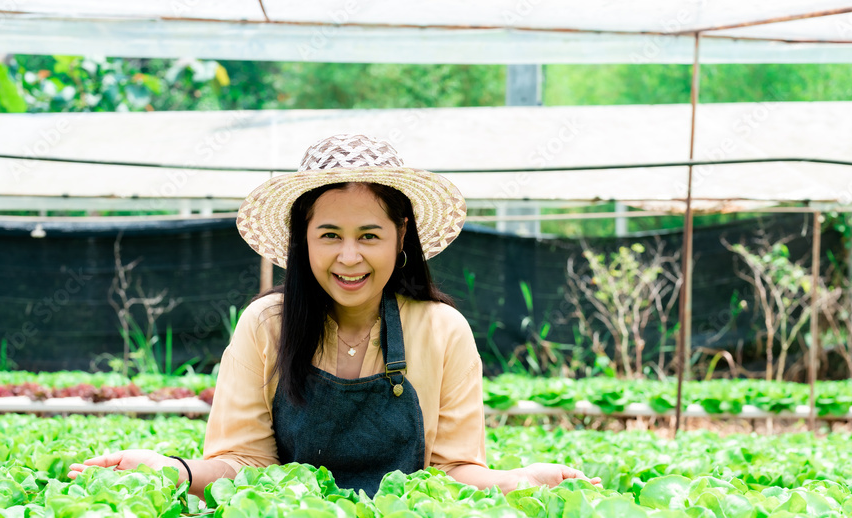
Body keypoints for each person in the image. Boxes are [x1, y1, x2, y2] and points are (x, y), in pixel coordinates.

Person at [68, 134, 601, 499]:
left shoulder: (442, 331)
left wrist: (517, 482)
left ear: (401, 238)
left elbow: (452, 475)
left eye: (369, 235)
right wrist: (174, 472)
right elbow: (244, 467)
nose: (350, 257)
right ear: (303, 240)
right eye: (330, 236)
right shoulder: (265, 326)